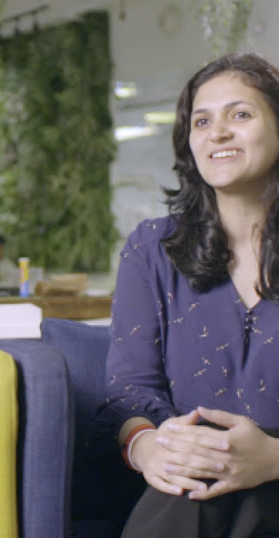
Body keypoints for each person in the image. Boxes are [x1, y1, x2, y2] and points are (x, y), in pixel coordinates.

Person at [95, 51, 279, 537]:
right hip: (189, 484)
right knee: (193, 490)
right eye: (202, 121)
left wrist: (273, 459)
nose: (218, 132)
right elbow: (128, 392)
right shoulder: (152, 249)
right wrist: (151, 447)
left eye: (241, 114)